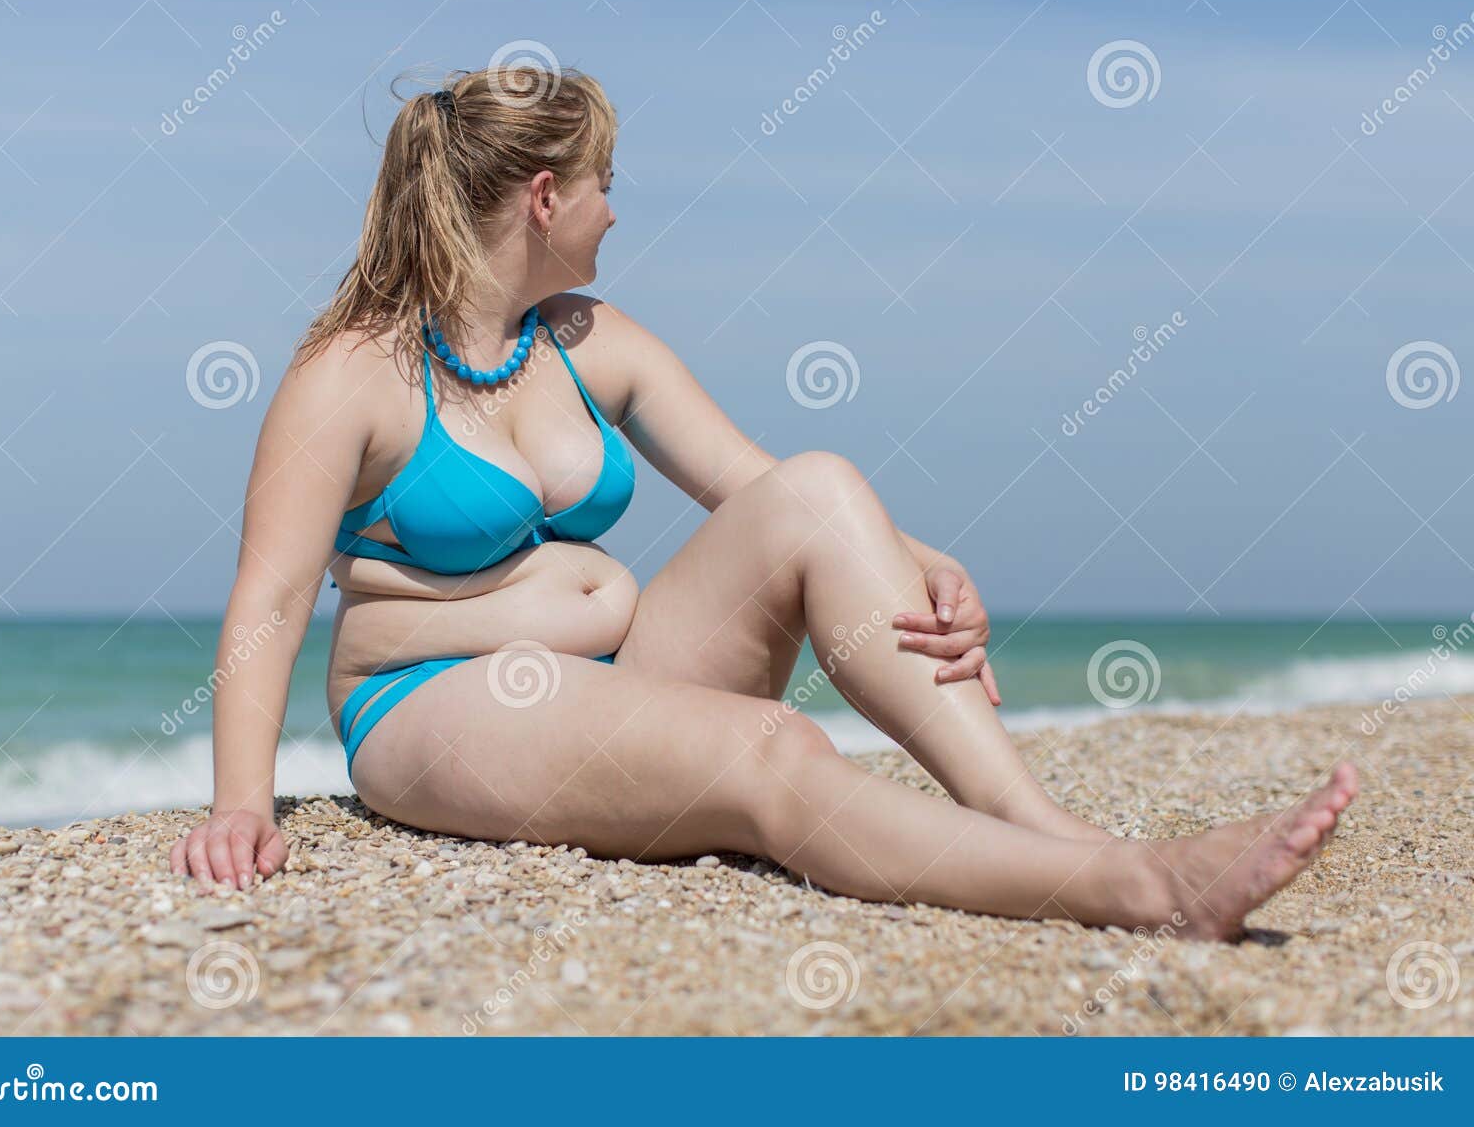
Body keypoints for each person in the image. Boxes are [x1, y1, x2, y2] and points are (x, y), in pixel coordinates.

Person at [171, 64, 1356, 940]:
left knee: (825, 486)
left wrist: (921, 559)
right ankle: (1138, 888)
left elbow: (761, 490)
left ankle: (1050, 830)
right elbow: (268, 604)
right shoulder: (350, 377)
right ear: (543, 197)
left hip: (607, 683)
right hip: (430, 709)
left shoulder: (590, 339)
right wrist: (239, 804)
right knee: (771, 748)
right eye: (603, 185)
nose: (616, 210)